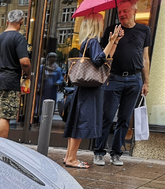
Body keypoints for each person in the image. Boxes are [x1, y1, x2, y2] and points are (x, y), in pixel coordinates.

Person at [93, 0, 151, 166]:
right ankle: (98, 152)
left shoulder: (144, 30)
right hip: (114, 78)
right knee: (107, 117)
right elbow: (105, 56)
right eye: (119, 12)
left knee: (125, 119)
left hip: (134, 80)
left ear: (134, 11)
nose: (122, 15)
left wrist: (146, 82)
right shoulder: (112, 29)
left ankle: (116, 154)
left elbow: (145, 58)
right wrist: (115, 40)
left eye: (125, 11)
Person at [64, 15, 123, 169]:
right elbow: (99, 60)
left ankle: (69, 157)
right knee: (81, 122)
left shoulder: (88, 41)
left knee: (77, 121)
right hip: (89, 90)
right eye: (101, 22)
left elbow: (107, 57)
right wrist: (111, 42)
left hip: (84, 88)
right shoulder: (93, 41)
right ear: (96, 24)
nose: (103, 24)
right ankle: (71, 158)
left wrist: (114, 42)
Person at [0, 10, 31, 138]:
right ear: (21, 22)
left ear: (7, 22)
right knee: (5, 117)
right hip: (10, 81)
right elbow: (25, 62)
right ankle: (1, 147)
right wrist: (28, 75)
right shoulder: (19, 38)